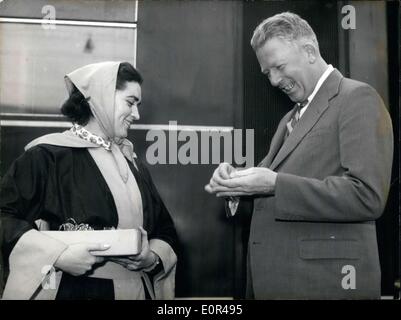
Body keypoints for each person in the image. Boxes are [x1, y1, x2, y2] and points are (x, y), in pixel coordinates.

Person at [206, 12, 393, 299]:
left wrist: (274, 184)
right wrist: (237, 184)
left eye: (279, 67)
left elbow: (367, 196)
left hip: (324, 287)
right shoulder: (290, 118)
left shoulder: (358, 98)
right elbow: (276, 187)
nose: (274, 80)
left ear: (309, 51)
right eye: (267, 73)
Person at [0, 61, 178, 300]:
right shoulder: (47, 156)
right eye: (130, 102)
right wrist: (58, 256)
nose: (136, 114)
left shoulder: (133, 163)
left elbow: (164, 230)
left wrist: (151, 258)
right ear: (100, 98)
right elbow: (4, 217)